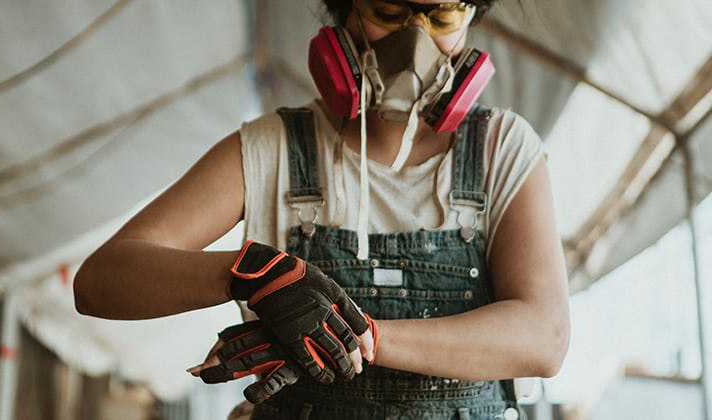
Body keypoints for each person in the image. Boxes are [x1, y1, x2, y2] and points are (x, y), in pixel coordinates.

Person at [73, 0, 571, 418]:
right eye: (389, 9)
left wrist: (360, 337)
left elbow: (543, 337)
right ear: (344, 10)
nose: (414, 42)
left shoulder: (500, 150)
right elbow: (99, 281)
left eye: (441, 17)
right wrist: (249, 273)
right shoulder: (271, 151)